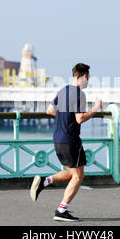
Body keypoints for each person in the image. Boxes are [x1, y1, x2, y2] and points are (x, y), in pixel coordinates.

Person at [30, 63, 103, 222]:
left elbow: (50, 110)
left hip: (58, 138)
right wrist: (96, 108)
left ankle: (45, 181)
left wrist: (64, 118)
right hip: (71, 140)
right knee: (78, 176)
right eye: (88, 77)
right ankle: (61, 210)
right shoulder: (79, 94)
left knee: (72, 172)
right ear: (84, 76)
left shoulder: (63, 90)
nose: (88, 81)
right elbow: (80, 118)